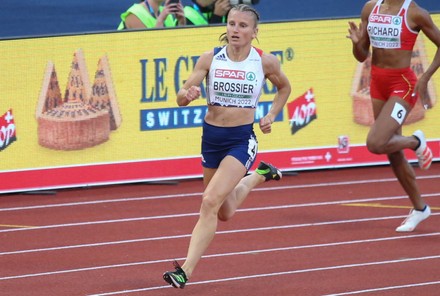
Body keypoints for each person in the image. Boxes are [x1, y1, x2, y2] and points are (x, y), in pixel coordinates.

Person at [163, 4, 291, 289]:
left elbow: (284, 88)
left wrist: (270, 115)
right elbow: (181, 97)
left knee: (209, 201)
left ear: (254, 33)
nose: (235, 30)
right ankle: (260, 175)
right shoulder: (211, 58)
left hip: (241, 140)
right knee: (225, 211)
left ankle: (185, 270)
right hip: (211, 139)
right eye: (232, 24)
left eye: (243, 26)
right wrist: (189, 93)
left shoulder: (265, 62)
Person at [347, 0, 440, 232]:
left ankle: (416, 142)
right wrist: (358, 45)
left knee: (376, 142)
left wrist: (426, 77)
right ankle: (420, 208)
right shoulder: (371, 8)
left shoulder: (416, 13)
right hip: (378, 82)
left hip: (403, 84)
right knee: (391, 150)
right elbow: (361, 56)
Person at [117, 0, 186, 30]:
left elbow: (175, 45)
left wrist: (181, 23)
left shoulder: (166, 13)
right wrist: (160, 21)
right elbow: (147, 49)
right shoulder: (135, 13)